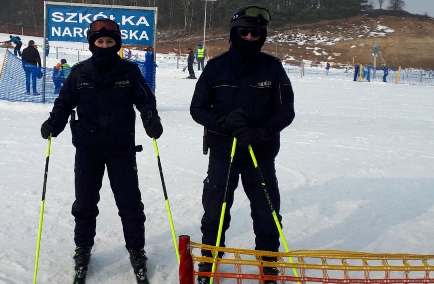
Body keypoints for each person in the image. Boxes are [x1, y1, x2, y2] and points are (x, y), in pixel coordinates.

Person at [39, 18, 163, 284]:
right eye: (100, 41)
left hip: (121, 149)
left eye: (109, 42)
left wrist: (151, 118)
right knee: (84, 204)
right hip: (88, 149)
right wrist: (54, 123)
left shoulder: (129, 71)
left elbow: (145, 99)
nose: (105, 45)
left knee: (130, 205)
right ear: (92, 44)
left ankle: (136, 250)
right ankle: (82, 249)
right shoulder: (80, 73)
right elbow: (63, 103)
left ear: (116, 44)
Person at [190, 6, 295, 284]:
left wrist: (260, 132)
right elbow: (197, 108)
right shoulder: (216, 67)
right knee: (216, 209)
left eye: (256, 33)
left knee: (267, 210)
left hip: (260, 152)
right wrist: (224, 122)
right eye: (244, 32)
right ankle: (209, 260)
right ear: (234, 34)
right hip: (223, 151)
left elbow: (286, 111)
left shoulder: (272, 68)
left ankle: (268, 263)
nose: (250, 37)